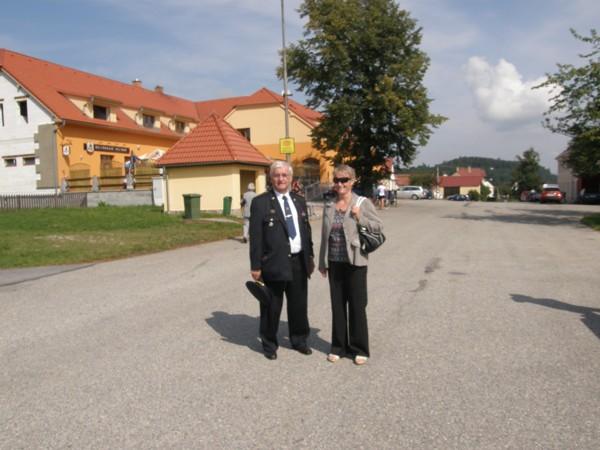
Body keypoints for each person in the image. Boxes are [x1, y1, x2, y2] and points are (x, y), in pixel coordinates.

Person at [249, 160, 315, 360]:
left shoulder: (299, 200)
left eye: (284, 175)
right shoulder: (260, 202)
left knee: (298, 305)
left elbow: (306, 231)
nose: (281, 179)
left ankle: (299, 340)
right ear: (271, 178)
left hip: (298, 261)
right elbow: (256, 237)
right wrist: (255, 265)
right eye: (277, 175)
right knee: (271, 306)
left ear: (291, 178)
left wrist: (310, 256)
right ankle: (269, 344)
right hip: (273, 262)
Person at [318, 164, 383, 365]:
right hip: (334, 262)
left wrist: (359, 217)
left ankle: (359, 348)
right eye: (336, 180)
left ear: (353, 181)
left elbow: (378, 226)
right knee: (337, 306)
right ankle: (338, 347)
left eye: (344, 180)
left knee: (357, 306)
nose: (340, 184)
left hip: (355, 261)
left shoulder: (362, 203)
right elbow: (324, 236)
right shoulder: (330, 204)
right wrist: (322, 261)